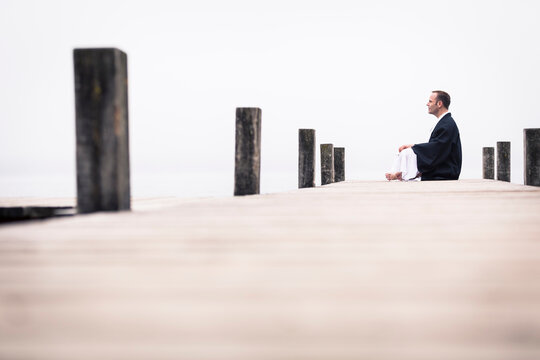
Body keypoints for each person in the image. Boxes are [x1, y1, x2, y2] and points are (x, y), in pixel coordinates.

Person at [385, 90, 462, 181]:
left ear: (439, 104)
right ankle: (403, 173)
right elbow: (436, 147)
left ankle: (403, 173)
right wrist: (412, 146)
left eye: (430, 101)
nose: (427, 104)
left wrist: (414, 147)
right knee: (408, 151)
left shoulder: (447, 124)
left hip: (446, 171)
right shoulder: (445, 122)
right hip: (443, 167)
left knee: (409, 152)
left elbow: (437, 149)